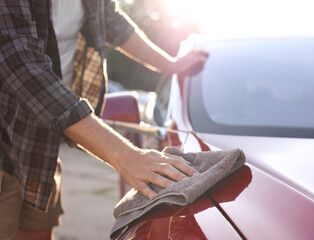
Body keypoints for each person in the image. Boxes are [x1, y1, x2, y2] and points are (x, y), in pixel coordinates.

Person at [0, 0, 208, 239]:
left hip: (41, 145)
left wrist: (170, 65)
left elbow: (113, 23)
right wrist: (126, 155)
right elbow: (20, 64)